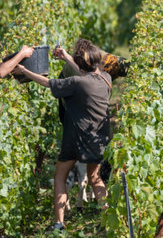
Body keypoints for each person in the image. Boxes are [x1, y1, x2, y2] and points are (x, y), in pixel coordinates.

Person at [13, 39, 112, 231]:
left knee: (60, 175)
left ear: (81, 65)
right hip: (98, 138)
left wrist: (24, 71)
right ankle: (109, 218)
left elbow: (48, 83)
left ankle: (59, 224)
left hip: (76, 138)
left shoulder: (75, 83)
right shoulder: (106, 79)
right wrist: (67, 57)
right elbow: (86, 72)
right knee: (94, 177)